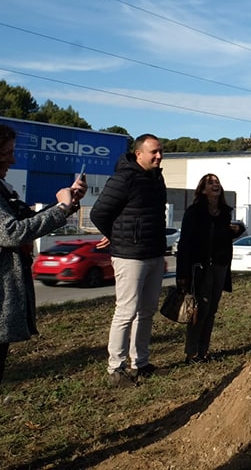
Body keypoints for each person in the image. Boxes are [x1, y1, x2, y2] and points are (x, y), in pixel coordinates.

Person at [0, 121, 86, 469]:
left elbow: (25, 217)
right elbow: (12, 232)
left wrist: (66, 201)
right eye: (6, 153)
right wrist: (62, 209)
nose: (11, 159)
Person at [90, 133, 167, 388]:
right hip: (129, 256)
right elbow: (99, 212)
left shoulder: (157, 178)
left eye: (160, 151)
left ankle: (140, 362)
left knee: (146, 311)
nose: (158, 156)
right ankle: (116, 368)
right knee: (126, 311)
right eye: (154, 152)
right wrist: (116, 236)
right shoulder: (124, 178)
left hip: (154, 253)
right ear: (139, 154)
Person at [175, 173, 245, 363]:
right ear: (203, 189)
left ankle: (204, 351)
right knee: (199, 310)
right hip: (201, 268)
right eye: (211, 183)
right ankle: (192, 353)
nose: (216, 185)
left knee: (211, 310)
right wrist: (182, 274)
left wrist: (238, 231)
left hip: (220, 267)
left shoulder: (224, 213)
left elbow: (221, 238)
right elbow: (185, 244)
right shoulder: (194, 212)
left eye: (217, 182)